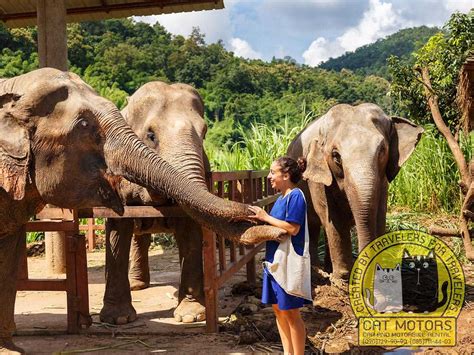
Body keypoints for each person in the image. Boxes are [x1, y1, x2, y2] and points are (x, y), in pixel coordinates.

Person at [249, 156, 311, 355]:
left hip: (288, 262)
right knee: (278, 310)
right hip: (274, 262)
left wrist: (265, 216)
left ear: (286, 175)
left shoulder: (296, 196)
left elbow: (293, 228)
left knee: (292, 313)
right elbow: (274, 226)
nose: (269, 176)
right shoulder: (280, 199)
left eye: (272, 172)